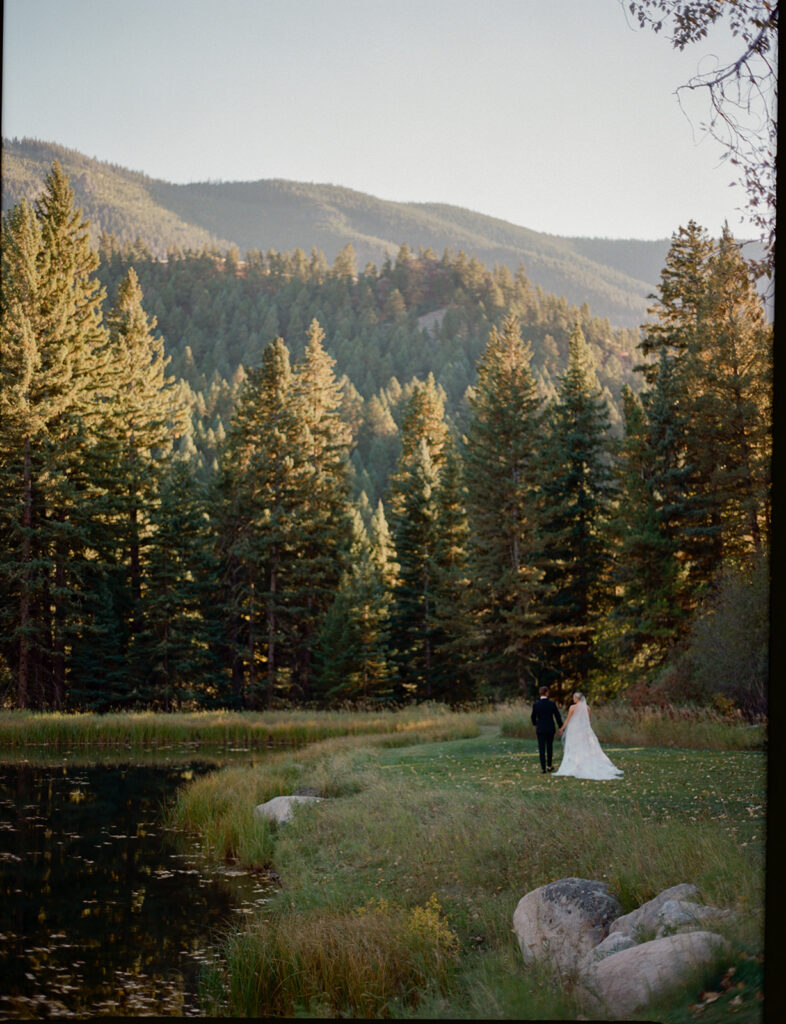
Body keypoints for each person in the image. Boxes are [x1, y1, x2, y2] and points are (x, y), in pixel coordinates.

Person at [554, 692, 623, 780]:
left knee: (573, 747)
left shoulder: (572, 707)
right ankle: (580, 765)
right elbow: (588, 722)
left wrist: (562, 729)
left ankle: (575, 766)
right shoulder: (587, 708)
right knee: (584, 747)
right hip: (583, 730)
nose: (573, 699)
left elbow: (567, 720)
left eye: (574, 697)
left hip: (574, 730)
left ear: (577, 698)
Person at [530, 685, 563, 774]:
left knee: (541, 748)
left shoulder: (536, 704)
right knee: (549, 747)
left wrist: (535, 724)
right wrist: (561, 727)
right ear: (546, 693)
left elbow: (533, 716)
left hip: (540, 728)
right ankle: (549, 766)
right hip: (550, 728)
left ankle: (543, 768)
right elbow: (557, 716)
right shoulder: (552, 704)